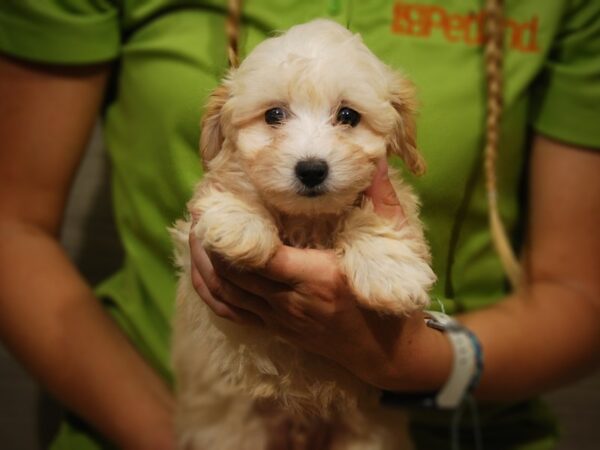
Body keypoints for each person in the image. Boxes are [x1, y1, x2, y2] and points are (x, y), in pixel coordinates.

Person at [0, 1, 598, 449]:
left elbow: (581, 294)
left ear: (398, 136)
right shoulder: (230, 186)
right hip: (176, 418)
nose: (311, 153)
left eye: (346, 117)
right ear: (220, 130)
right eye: (276, 116)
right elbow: (13, 224)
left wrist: (408, 359)